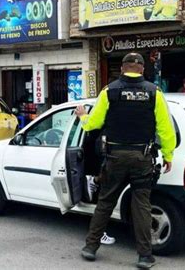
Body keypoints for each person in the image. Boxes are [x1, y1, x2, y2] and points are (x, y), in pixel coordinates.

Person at [75, 53, 176, 269]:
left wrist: (82, 116)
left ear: (122, 68)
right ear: (141, 69)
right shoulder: (154, 93)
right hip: (142, 157)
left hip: (115, 157)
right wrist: (168, 155)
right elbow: (165, 129)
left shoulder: (109, 91)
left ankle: (91, 247)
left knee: (105, 202)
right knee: (141, 206)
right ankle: (145, 257)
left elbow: (93, 124)